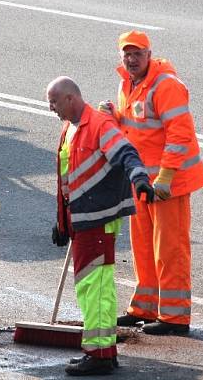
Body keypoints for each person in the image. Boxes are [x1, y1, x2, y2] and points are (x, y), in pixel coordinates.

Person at [47, 77, 154, 376]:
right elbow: (69, 179)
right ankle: (105, 350)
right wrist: (63, 221)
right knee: (101, 287)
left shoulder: (98, 125)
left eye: (54, 102)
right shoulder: (70, 128)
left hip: (97, 220)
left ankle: (97, 354)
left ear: (71, 99)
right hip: (85, 219)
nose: (50, 107)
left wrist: (140, 179)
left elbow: (127, 154)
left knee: (92, 288)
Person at [101, 30, 203, 335]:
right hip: (143, 182)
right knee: (144, 247)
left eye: (138, 54)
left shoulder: (166, 86)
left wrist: (166, 177)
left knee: (170, 249)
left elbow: (180, 135)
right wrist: (112, 117)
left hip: (169, 183)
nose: (132, 60)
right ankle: (145, 307)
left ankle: (174, 319)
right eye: (127, 55)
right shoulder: (128, 83)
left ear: (149, 54)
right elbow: (136, 128)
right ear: (121, 57)